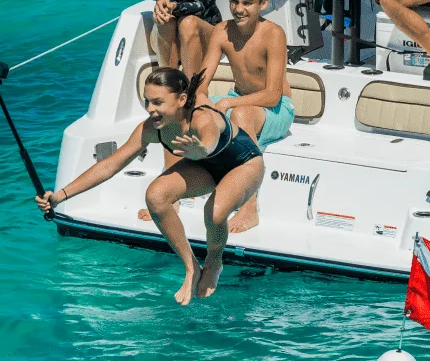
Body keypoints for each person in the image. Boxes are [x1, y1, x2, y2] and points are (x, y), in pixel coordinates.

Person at [36, 66, 263, 305]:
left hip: (243, 164)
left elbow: (208, 142)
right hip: (205, 168)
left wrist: (200, 150)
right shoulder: (152, 128)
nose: (150, 109)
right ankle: (191, 267)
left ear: (181, 99)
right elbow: (111, 164)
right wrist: (61, 195)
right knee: (156, 196)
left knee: (214, 213)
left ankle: (214, 261)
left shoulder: (202, 117)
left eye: (157, 102)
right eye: (147, 101)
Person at [198, 0, 295, 232]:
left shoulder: (273, 34)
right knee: (196, 112)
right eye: (234, 1)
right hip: (239, 99)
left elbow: (273, 95)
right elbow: (201, 82)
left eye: (247, 3)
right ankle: (184, 192)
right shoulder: (222, 31)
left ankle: (250, 207)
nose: (239, 9)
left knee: (239, 115)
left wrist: (227, 104)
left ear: (263, 4)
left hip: (277, 108)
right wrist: (201, 100)